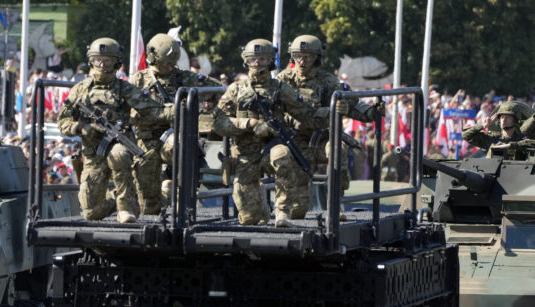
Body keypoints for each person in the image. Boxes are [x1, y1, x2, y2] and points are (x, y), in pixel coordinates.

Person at [57, 37, 173, 224]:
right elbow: (63, 121)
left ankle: (126, 207)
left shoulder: (124, 89)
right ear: (91, 61)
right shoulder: (80, 90)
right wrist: (81, 127)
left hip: (118, 143)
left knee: (119, 155)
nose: (102, 64)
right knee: (90, 213)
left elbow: (151, 109)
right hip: (92, 152)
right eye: (97, 60)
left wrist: (175, 110)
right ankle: (116, 203)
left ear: (116, 62)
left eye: (107, 60)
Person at [276, 35, 384, 218]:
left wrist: (372, 112)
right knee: (297, 211)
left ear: (317, 57)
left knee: (337, 150)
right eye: (298, 55)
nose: (302, 60)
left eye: (308, 56)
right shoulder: (282, 80)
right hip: (294, 142)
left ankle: (335, 205)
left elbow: (352, 104)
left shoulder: (328, 81)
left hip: (321, 139)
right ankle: (282, 211)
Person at [212, 38, 317, 227]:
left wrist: (334, 112)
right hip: (245, 155)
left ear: (271, 61)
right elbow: (219, 123)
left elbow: (306, 114)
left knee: (283, 155)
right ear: (246, 61)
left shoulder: (280, 89)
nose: (258, 64)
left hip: (271, 149)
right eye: (253, 59)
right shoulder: (236, 89)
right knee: (249, 219)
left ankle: (282, 212)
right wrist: (250, 124)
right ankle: (261, 206)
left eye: (263, 59)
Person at [129, 33, 221, 215]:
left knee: (182, 146)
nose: (169, 67)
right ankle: (164, 195)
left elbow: (216, 88)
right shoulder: (138, 80)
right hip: (145, 141)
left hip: (174, 136)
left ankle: (181, 198)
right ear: (154, 58)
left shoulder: (183, 77)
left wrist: (208, 102)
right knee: (148, 205)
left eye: (172, 63)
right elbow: (132, 114)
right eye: (165, 63)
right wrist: (170, 111)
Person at [462, 100, 535, 160]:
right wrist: (482, 126)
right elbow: (466, 135)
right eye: (502, 117)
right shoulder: (492, 138)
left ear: (515, 121)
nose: (504, 120)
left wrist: (512, 145)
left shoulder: (521, 139)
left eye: (507, 117)